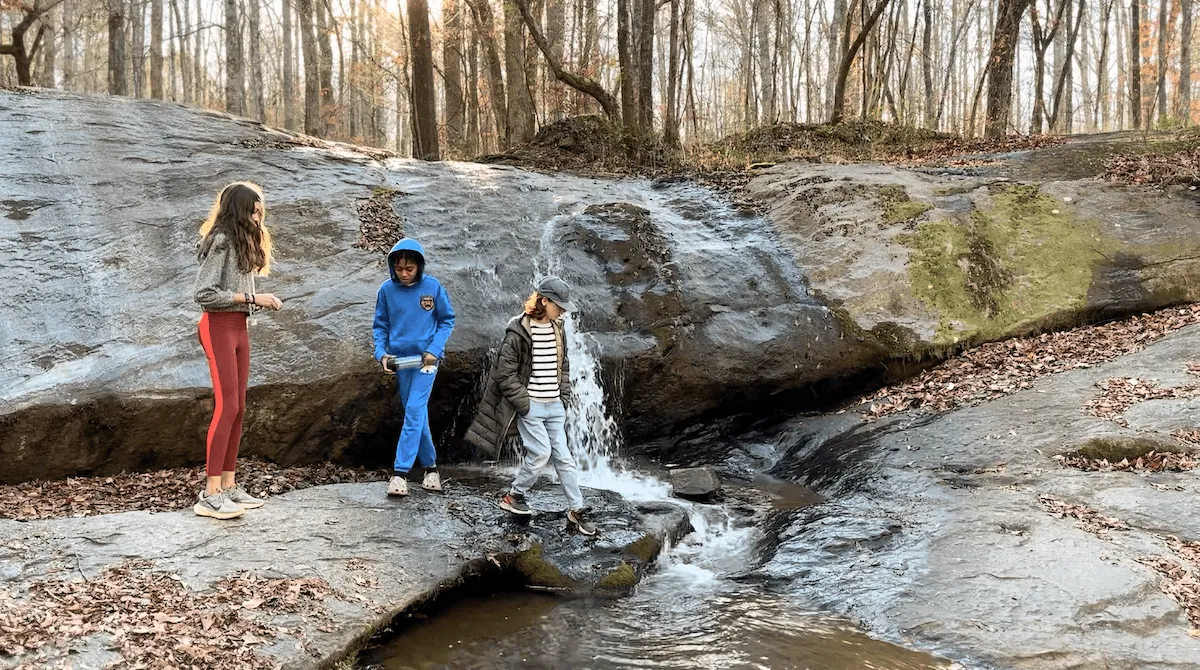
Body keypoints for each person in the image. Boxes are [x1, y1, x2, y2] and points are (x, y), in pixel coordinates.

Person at [464, 276, 596, 536]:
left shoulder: (558, 328)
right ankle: (514, 495)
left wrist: (564, 397)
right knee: (540, 454)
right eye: (559, 305)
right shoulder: (518, 330)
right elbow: (505, 374)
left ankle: (576, 510)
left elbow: (564, 364)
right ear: (543, 301)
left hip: (555, 405)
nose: (563, 311)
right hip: (531, 406)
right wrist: (525, 405)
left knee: (565, 459)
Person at [192, 182, 283, 520]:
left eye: (261, 210)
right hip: (217, 327)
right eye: (254, 210)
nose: (259, 216)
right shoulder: (220, 240)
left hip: (238, 328)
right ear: (238, 209)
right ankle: (209, 493)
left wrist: (252, 302)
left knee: (240, 407)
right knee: (226, 406)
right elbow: (204, 293)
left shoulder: (244, 242)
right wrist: (252, 298)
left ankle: (228, 486)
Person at [373, 239, 455, 497]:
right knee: (416, 415)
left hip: (427, 363)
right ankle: (431, 469)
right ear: (393, 267)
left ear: (419, 266)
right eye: (399, 269)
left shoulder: (433, 287)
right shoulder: (386, 290)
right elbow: (380, 326)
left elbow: (446, 320)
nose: (405, 273)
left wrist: (434, 349)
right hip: (401, 362)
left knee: (414, 411)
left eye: (410, 268)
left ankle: (400, 473)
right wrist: (381, 354)